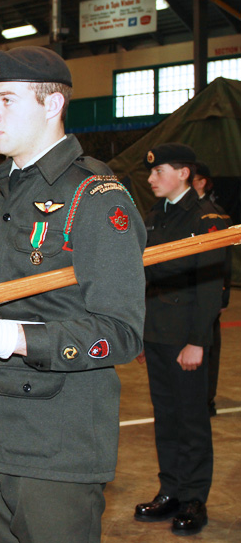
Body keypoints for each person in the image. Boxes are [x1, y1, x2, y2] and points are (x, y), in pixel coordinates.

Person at [0, 46, 147, 543]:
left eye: (5, 99)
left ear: (51, 105)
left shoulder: (94, 197)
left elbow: (122, 334)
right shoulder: (8, 190)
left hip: (57, 446)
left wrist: (10, 336)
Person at [134, 144, 227, 535]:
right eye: (151, 172)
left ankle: (193, 498)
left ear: (184, 173)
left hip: (186, 337)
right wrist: (140, 333)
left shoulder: (207, 219)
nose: (152, 178)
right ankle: (170, 489)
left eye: (159, 172)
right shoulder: (157, 216)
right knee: (166, 418)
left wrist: (197, 341)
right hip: (157, 334)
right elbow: (144, 278)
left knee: (191, 420)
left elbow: (209, 288)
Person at [192, 161, 233, 417]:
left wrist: (221, 296)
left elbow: (222, 263)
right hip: (181, 297)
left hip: (206, 293)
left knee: (207, 347)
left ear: (201, 181)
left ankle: (206, 399)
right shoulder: (177, 214)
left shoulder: (214, 216)